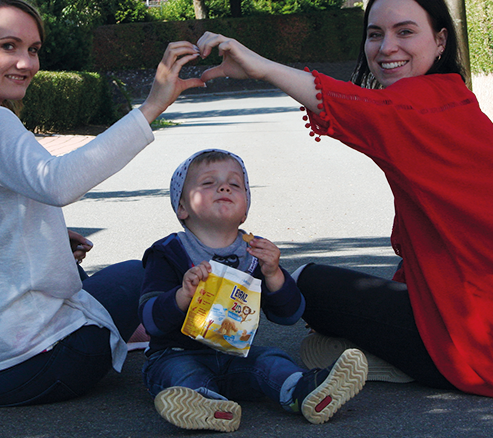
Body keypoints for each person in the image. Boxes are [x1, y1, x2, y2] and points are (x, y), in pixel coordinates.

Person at [194, 0, 493, 401]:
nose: (387, 48)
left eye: (406, 32)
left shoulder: (419, 107)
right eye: (375, 34)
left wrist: (262, 67)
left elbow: (352, 106)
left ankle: (218, 352)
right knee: (369, 294)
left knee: (304, 282)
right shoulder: (452, 99)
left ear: (440, 41)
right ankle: (383, 353)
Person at [0, 0, 206, 406]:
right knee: (138, 274)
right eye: (8, 46)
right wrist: (152, 105)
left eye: (33, 49)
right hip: (20, 369)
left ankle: (133, 330)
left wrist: (46, 235)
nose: (26, 63)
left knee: (89, 283)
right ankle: (153, 337)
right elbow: (56, 182)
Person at [139, 149, 367, 432]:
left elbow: (289, 314)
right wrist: (182, 295)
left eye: (234, 184)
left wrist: (274, 275)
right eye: (208, 183)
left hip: (238, 356)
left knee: (271, 360)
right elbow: (150, 319)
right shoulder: (168, 252)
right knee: (179, 373)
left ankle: (306, 391)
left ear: (245, 208)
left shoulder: (254, 252)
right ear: (182, 207)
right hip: (177, 353)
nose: (223, 187)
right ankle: (206, 405)